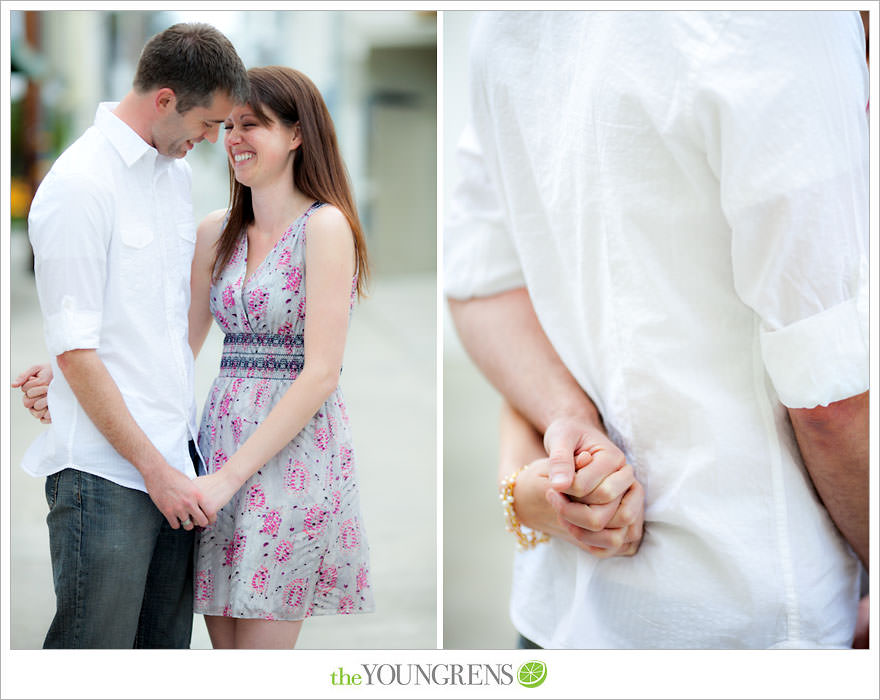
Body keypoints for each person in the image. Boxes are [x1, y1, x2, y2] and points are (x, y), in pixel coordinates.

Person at [445, 10, 868, 649]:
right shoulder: (782, 21)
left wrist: (567, 419)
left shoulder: (508, 22)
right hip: (753, 623)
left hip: (563, 617)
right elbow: (832, 397)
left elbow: (480, 279)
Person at [11, 23, 249, 648]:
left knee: (161, 662)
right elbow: (77, 348)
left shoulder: (171, 177)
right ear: (165, 99)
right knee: (92, 661)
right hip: (106, 476)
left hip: (177, 464)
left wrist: (175, 471)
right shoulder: (79, 186)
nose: (210, 140)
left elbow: (151, 325)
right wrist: (154, 470)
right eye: (207, 124)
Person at [183, 65, 374, 649]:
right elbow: (175, 348)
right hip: (217, 451)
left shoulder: (325, 227)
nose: (234, 138)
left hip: (291, 460)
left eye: (253, 124)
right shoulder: (215, 233)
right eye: (230, 125)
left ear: (295, 134)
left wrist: (228, 479)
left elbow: (321, 373)